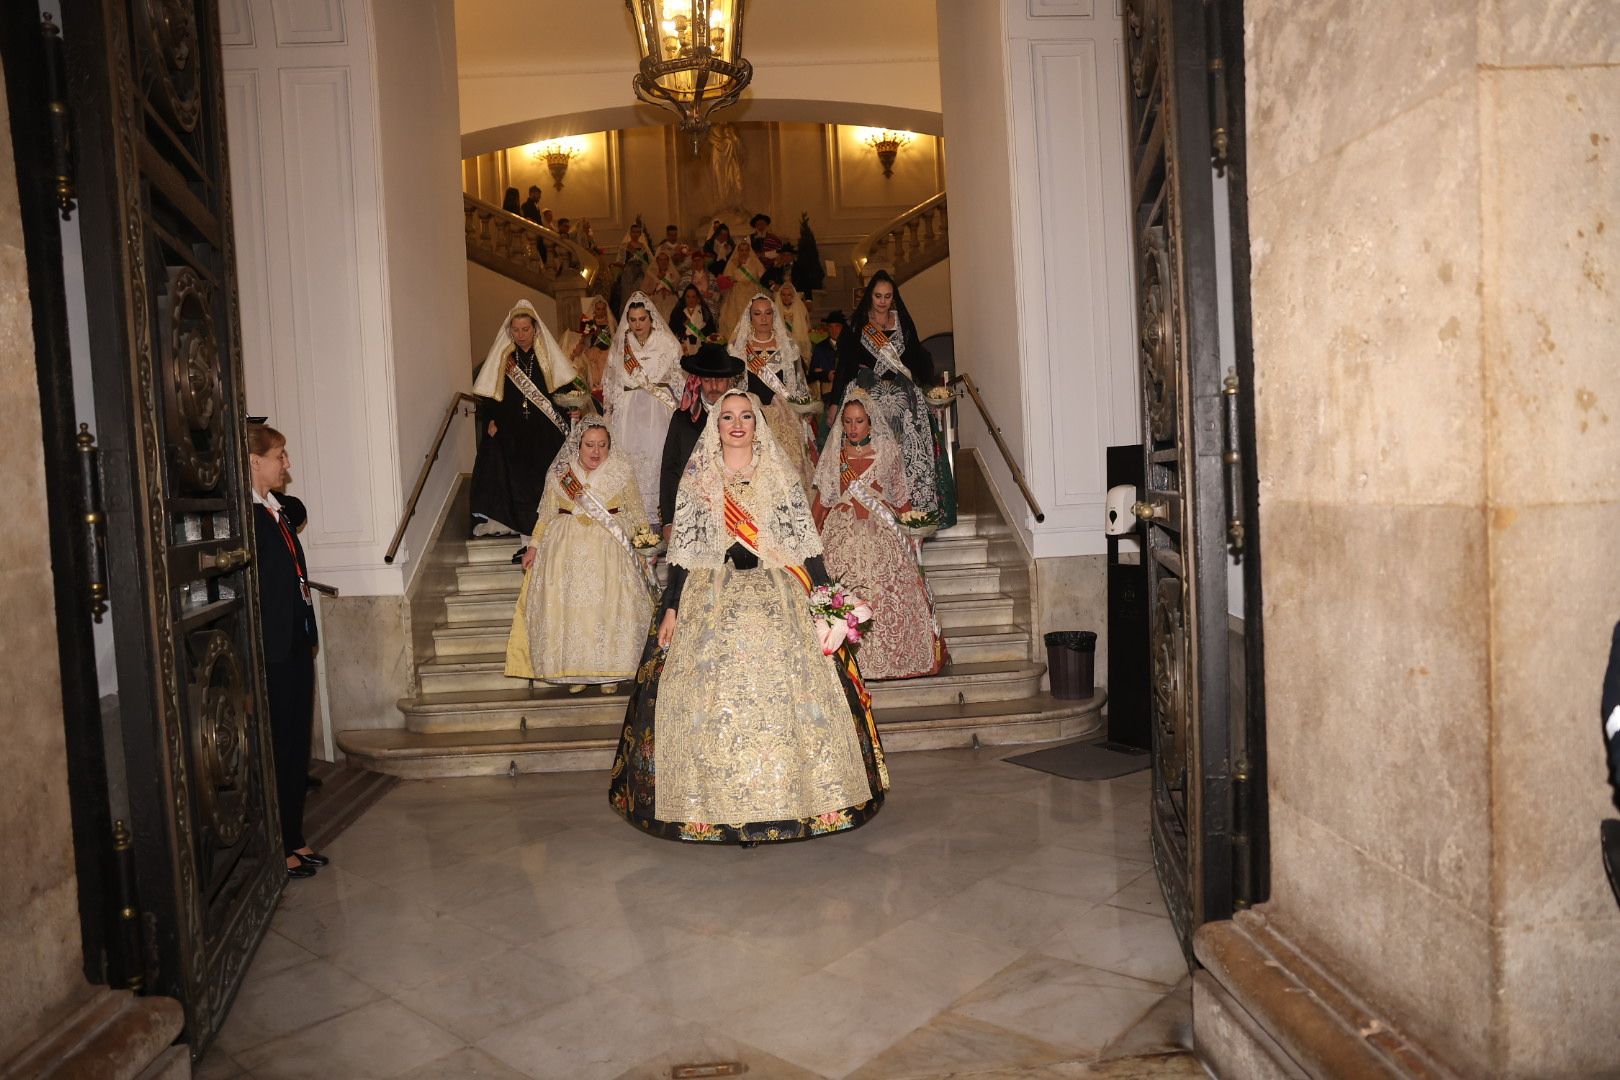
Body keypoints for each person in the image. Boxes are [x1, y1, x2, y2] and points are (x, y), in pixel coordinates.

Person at [608, 389, 889, 844]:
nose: (737, 424)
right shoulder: (699, 479)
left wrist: (824, 595)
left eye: (745, 417)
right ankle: (710, 806)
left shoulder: (778, 475)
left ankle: (795, 800)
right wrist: (673, 606)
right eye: (727, 418)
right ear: (715, 427)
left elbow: (804, 544)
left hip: (776, 591)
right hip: (710, 592)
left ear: (758, 424)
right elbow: (683, 553)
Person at [506, 419, 657, 694]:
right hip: (566, 550)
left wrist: (645, 545)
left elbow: (636, 512)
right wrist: (534, 546)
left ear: (610, 446)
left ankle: (610, 672)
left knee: (608, 608)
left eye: (602, 445)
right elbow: (546, 515)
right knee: (574, 613)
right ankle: (577, 671)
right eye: (589, 445)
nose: (596, 452)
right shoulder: (561, 474)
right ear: (578, 445)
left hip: (611, 548)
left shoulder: (621, 471)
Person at [813, 388, 946, 679]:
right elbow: (823, 501)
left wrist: (913, 529)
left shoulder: (888, 452)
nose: (852, 427)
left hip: (883, 531)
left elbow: (901, 499)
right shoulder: (835, 455)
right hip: (843, 532)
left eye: (859, 421)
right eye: (847, 421)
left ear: (871, 422)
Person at [248, 424, 328, 879]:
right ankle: (277, 846)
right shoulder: (246, 515)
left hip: (296, 638)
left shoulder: (275, 509)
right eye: (280, 455)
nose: (288, 464)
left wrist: (269, 497)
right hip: (271, 643)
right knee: (277, 744)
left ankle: (295, 836)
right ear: (254, 461)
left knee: (297, 742)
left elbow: (297, 506)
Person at [830, 270, 957, 529]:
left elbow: (916, 360)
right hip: (867, 398)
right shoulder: (857, 326)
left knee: (909, 451)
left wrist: (927, 389)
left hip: (903, 399)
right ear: (869, 296)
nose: (882, 301)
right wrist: (834, 402)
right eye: (878, 296)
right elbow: (844, 366)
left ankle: (913, 512)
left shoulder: (903, 324)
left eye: (888, 296)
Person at [470, 300, 579, 559]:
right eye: (516, 330)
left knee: (546, 484)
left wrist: (573, 409)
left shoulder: (547, 356)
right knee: (520, 487)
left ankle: (551, 537)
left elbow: (565, 390)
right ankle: (527, 539)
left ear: (535, 329)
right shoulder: (504, 359)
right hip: (515, 435)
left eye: (525, 329)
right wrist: (492, 421)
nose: (520, 335)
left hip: (546, 434)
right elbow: (491, 396)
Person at [605, 292, 685, 527]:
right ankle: (633, 515)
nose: (638, 324)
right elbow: (612, 381)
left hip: (658, 410)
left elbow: (678, 379)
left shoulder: (667, 343)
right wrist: (611, 411)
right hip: (628, 410)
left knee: (659, 457)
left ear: (651, 318)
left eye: (642, 319)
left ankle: (662, 514)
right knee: (630, 458)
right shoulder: (621, 345)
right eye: (632, 319)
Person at [729, 292, 817, 492]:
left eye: (768, 313)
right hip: (751, 419)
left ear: (774, 316)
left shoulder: (789, 347)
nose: (763, 319)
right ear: (750, 318)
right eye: (758, 314)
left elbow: (799, 386)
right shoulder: (738, 350)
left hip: (784, 418)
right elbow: (734, 388)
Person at [658, 341, 744, 536]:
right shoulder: (683, 418)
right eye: (707, 379)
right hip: (693, 516)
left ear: (730, 380)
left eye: (720, 380)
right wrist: (669, 521)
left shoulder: (747, 416)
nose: (714, 386)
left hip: (739, 515)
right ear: (698, 380)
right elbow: (670, 470)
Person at [566, 295, 617, 410]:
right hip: (591, 356)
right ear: (594, 310)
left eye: (603, 309)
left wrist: (598, 331)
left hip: (606, 356)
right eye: (598, 309)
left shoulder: (610, 324)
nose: (601, 311)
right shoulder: (589, 323)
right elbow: (583, 339)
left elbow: (612, 342)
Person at [717, 237, 769, 337]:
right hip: (737, 292)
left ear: (749, 251)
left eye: (746, 250)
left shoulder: (754, 262)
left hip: (753, 291)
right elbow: (727, 277)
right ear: (738, 251)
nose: (744, 252)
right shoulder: (733, 262)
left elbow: (763, 277)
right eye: (741, 250)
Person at [775, 279, 814, 370]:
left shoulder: (800, 308)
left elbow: (805, 328)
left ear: (793, 296)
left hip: (798, 344)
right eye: (783, 295)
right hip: (781, 346)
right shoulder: (775, 310)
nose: (786, 297)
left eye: (789, 295)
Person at [809, 309, 845, 400]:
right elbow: (811, 375)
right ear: (828, 328)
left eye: (837, 326)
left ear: (842, 328)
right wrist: (827, 375)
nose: (834, 330)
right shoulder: (820, 347)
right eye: (831, 327)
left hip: (846, 391)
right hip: (827, 393)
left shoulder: (849, 346)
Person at [673, 283, 716, 357]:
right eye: (688, 297)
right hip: (683, 348)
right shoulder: (678, 313)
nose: (691, 300)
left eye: (693, 297)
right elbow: (673, 330)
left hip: (701, 348)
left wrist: (691, 328)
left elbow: (711, 330)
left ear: (698, 298)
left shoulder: (704, 311)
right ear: (684, 298)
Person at [641, 249, 681, 323]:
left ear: (668, 260)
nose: (663, 262)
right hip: (656, 302)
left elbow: (677, 289)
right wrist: (657, 280)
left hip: (670, 301)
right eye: (661, 260)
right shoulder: (650, 274)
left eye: (665, 259)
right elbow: (645, 292)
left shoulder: (674, 274)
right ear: (657, 261)